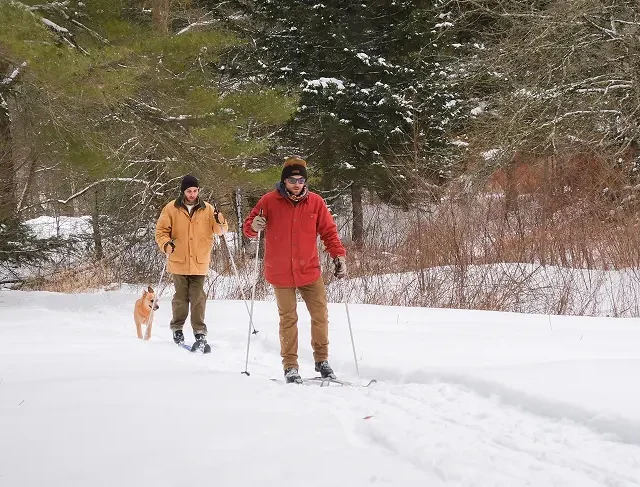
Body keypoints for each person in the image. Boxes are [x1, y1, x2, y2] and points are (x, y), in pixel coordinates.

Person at [243, 156, 347, 383]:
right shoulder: (269, 201)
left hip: (309, 269)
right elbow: (248, 228)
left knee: (320, 315)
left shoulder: (316, 202)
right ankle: (290, 366)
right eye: (292, 180)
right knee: (288, 319)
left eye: (301, 180)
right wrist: (253, 226)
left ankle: (322, 360)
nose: (297, 184)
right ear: (284, 181)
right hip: (280, 272)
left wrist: (338, 255)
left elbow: (329, 232)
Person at [155, 174, 228, 352]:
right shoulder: (171, 208)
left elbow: (221, 231)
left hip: (199, 260)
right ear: (183, 191)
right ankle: (177, 328)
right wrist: (166, 244)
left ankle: (199, 332)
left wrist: (220, 219)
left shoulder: (208, 209)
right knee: (181, 297)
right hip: (178, 259)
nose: (192, 194)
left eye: (195, 191)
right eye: (189, 191)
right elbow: (161, 231)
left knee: (198, 297)